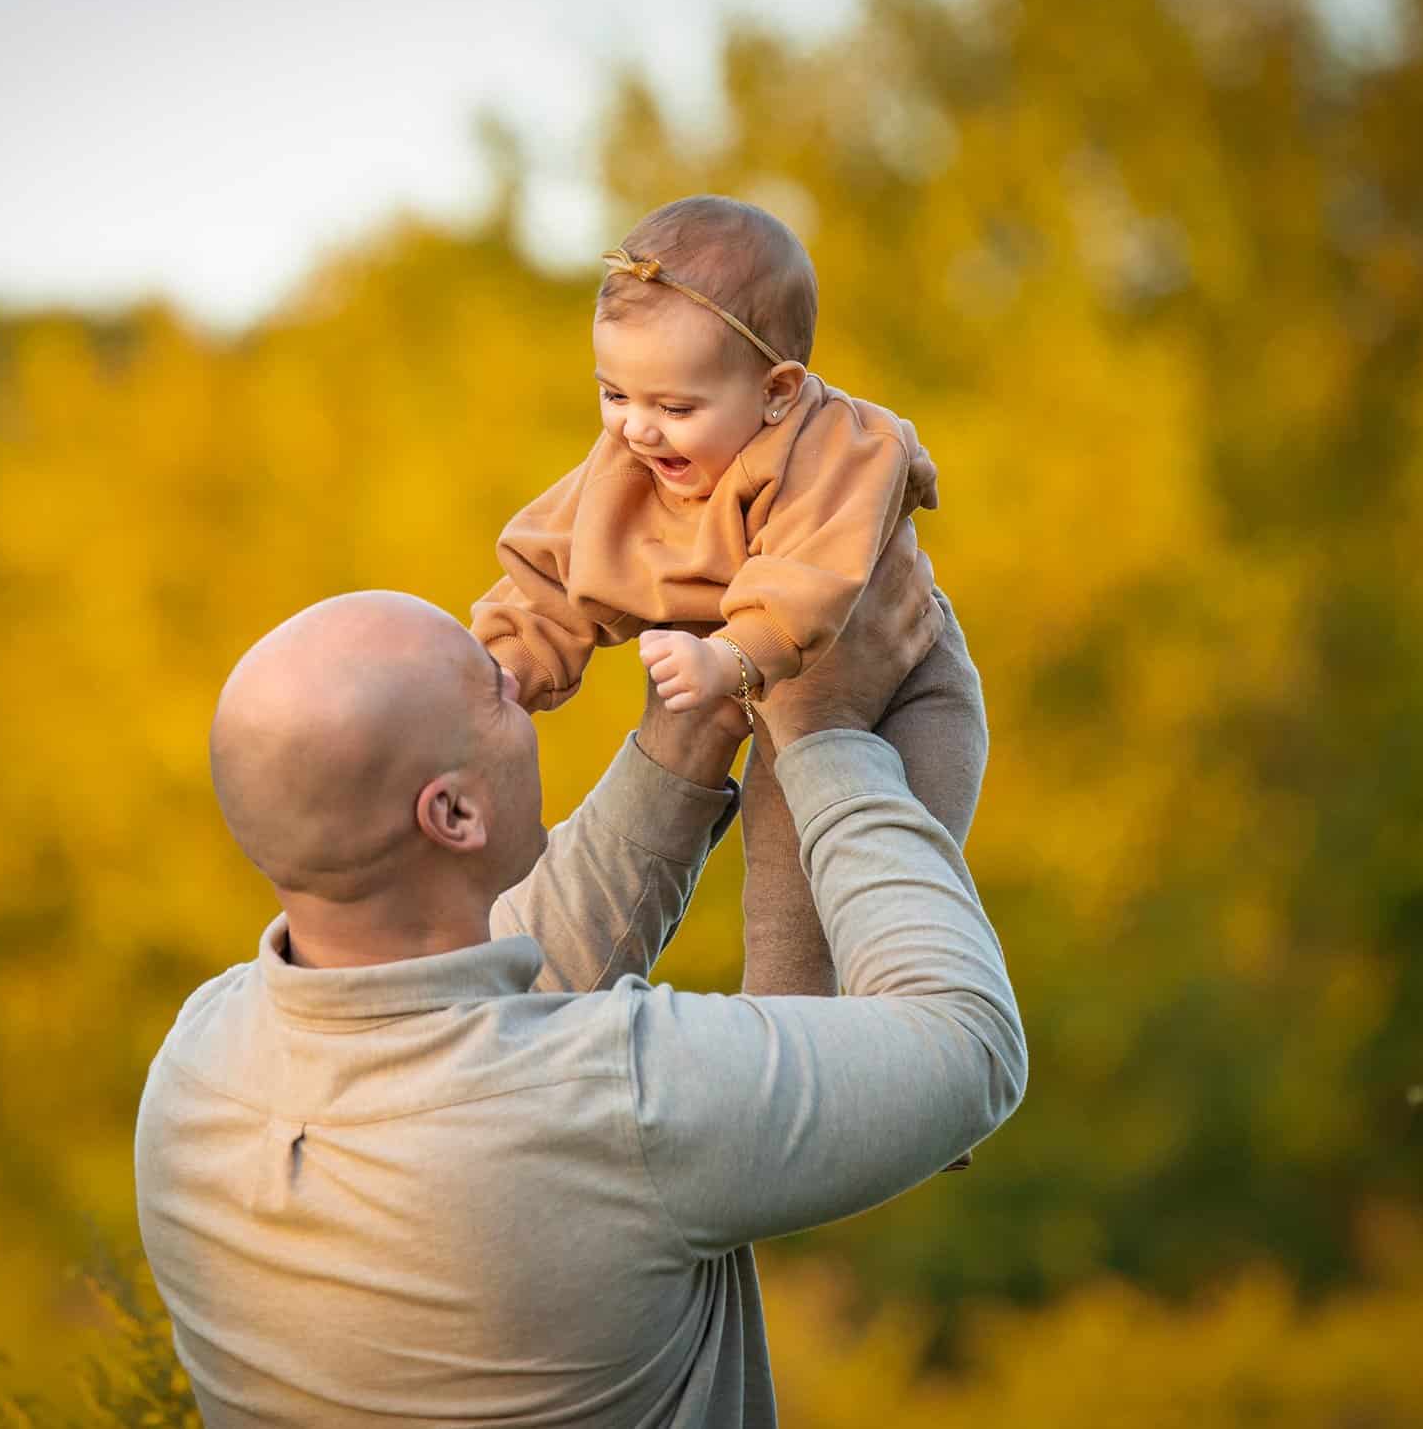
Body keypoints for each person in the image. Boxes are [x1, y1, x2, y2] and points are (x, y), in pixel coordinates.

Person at [134, 525, 1024, 1427]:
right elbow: (965, 1040)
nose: (524, 685)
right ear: (451, 811)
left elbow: (484, 1027)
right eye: (495, 691)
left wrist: (695, 729)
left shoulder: (195, 1072)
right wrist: (825, 733)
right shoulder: (622, 1100)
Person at [471, 194, 989, 1008]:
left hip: (911, 686)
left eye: (675, 408)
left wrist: (726, 656)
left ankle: (925, 1092)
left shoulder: (840, 448)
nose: (638, 429)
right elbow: (553, 573)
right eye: (615, 395)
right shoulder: (629, 466)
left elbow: (812, 578)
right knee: (784, 916)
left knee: (908, 886)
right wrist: (500, 670)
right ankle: (811, 1081)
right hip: (780, 705)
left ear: (777, 389)